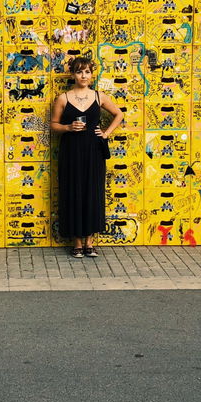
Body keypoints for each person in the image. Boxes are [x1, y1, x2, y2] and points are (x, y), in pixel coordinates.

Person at [50, 57, 123, 258]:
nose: (84, 76)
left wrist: (106, 133)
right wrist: (68, 127)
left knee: (93, 192)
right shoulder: (63, 98)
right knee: (73, 192)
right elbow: (54, 125)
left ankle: (90, 242)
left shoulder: (99, 97)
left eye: (87, 72)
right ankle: (77, 242)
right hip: (71, 149)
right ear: (73, 74)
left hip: (94, 149)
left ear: (92, 75)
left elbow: (119, 114)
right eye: (80, 72)